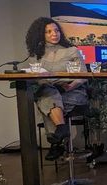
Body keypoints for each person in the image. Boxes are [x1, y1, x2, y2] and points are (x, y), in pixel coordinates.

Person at [25, 17, 88, 161]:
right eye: (48, 32)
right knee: (48, 93)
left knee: (46, 101)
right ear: (41, 34)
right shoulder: (36, 56)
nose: (54, 34)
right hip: (49, 89)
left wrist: (70, 85)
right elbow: (36, 77)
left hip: (72, 91)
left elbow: (83, 75)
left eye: (56, 30)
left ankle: (56, 142)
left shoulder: (72, 51)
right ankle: (61, 129)